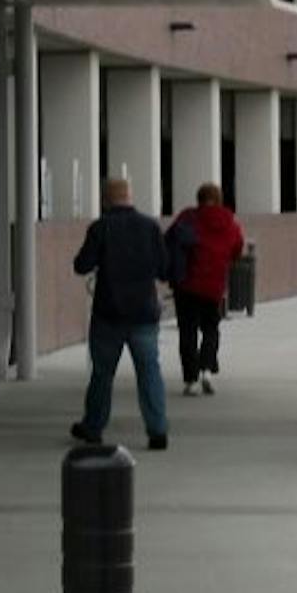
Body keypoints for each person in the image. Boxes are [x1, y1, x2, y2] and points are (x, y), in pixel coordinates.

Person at [70, 178, 171, 452]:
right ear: (130, 196)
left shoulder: (100, 228)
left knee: (102, 375)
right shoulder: (150, 227)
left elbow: (82, 265)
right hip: (144, 313)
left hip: (108, 313)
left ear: (105, 199)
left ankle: (93, 428)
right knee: (149, 372)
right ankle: (157, 430)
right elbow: (165, 268)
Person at [166, 183, 245, 396]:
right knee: (211, 328)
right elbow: (237, 249)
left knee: (188, 331)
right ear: (219, 199)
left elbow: (169, 241)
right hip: (214, 286)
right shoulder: (230, 222)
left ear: (199, 199)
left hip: (187, 285)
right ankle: (207, 370)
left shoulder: (188, 217)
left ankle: (191, 380)